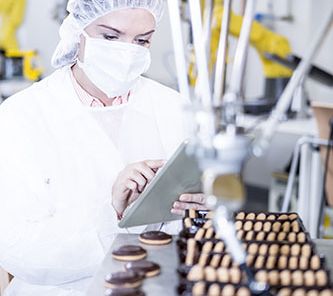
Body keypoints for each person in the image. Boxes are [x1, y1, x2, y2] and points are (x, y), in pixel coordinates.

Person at [0, 1, 207, 295]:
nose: (127, 52)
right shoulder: (21, 116)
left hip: (157, 285)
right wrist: (112, 213)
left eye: (142, 40)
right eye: (110, 37)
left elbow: (189, 230)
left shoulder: (175, 107)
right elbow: (17, 248)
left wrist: (201, 210)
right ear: (77, 30)